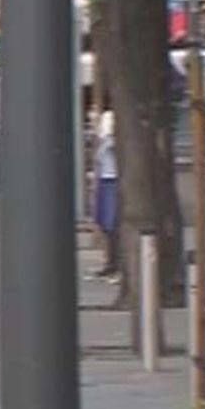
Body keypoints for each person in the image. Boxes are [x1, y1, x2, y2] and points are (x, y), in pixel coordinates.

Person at [93, 109, 120, 280]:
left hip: (112, 180)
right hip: (105, 180)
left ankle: (114, 263)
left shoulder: (111, 142)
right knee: (105, 223)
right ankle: (110, 262)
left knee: (111, 223)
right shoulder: (105, 142)